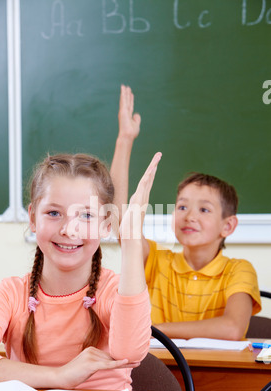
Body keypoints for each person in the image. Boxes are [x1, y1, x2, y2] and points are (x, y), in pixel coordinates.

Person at [0, 150, 161, 390]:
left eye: (86, 215)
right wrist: (59, 376)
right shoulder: (7, 295)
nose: (69, 229)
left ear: (105, 225)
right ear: (32, 218)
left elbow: (130, 353)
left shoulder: (115, 291)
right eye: (53, 213)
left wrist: (131, 242)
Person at [110, 85, 261, 341]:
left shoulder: (239, 270)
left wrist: (152, 331)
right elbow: (118, 221)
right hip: (158, 375)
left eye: (204, 209)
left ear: (228, 226)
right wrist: (125, 139)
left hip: (215, 378)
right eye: (182, 206)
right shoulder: (156, 261)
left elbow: (232, 328)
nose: (189, 216)